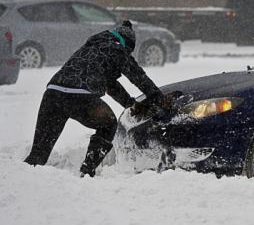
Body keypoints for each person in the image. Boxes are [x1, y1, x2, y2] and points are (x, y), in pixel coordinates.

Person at [24, 20, 164, 177]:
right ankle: (87, 170)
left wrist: (131, 104)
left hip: (53, 94)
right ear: (127, 44)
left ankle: (23, 181)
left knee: (38, 153)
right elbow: (139, 77)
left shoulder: (90, 47)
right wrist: (158, 97)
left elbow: (110, 84)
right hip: (81, 98)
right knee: (108, 124)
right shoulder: (118, 49)